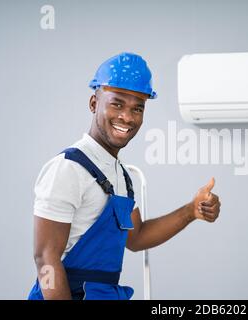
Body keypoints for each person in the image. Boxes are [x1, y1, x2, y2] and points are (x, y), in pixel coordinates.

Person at [28, 52, 221, 300]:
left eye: (137, 108)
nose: (127, 117)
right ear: (93, 103)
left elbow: (137, 237)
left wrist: (191, 211)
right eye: (117, 103)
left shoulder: (122, 176)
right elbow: (45, 259)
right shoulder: (67, 169)